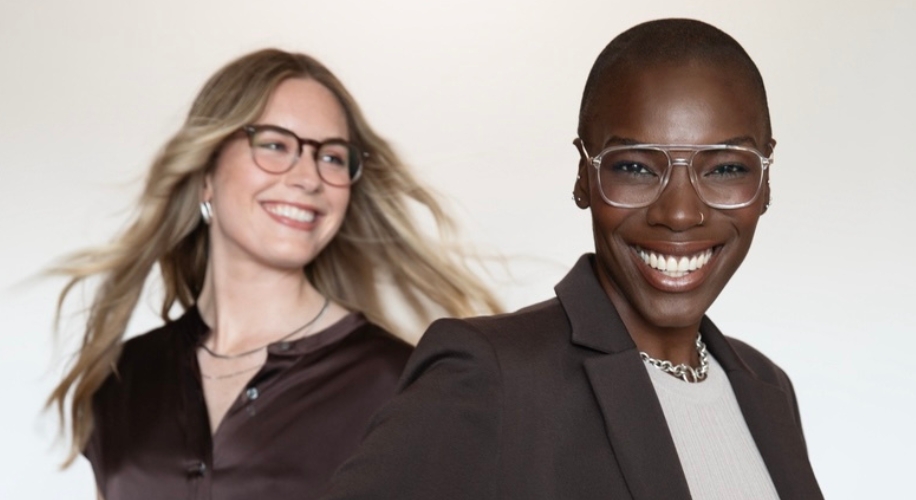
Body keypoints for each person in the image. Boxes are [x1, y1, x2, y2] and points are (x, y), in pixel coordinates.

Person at [320, 19, 823, 499]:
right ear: (584, 176)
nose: (679, 213)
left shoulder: (766, 387)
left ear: (765, 180)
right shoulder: (491, 376)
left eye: (726, 168)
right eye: (635, 168)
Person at [46, 49, 500, 500]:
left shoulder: (398, 384)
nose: (308, 177)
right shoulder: (123, 377)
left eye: (333, 157)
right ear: (206, 174)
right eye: (275, 145)